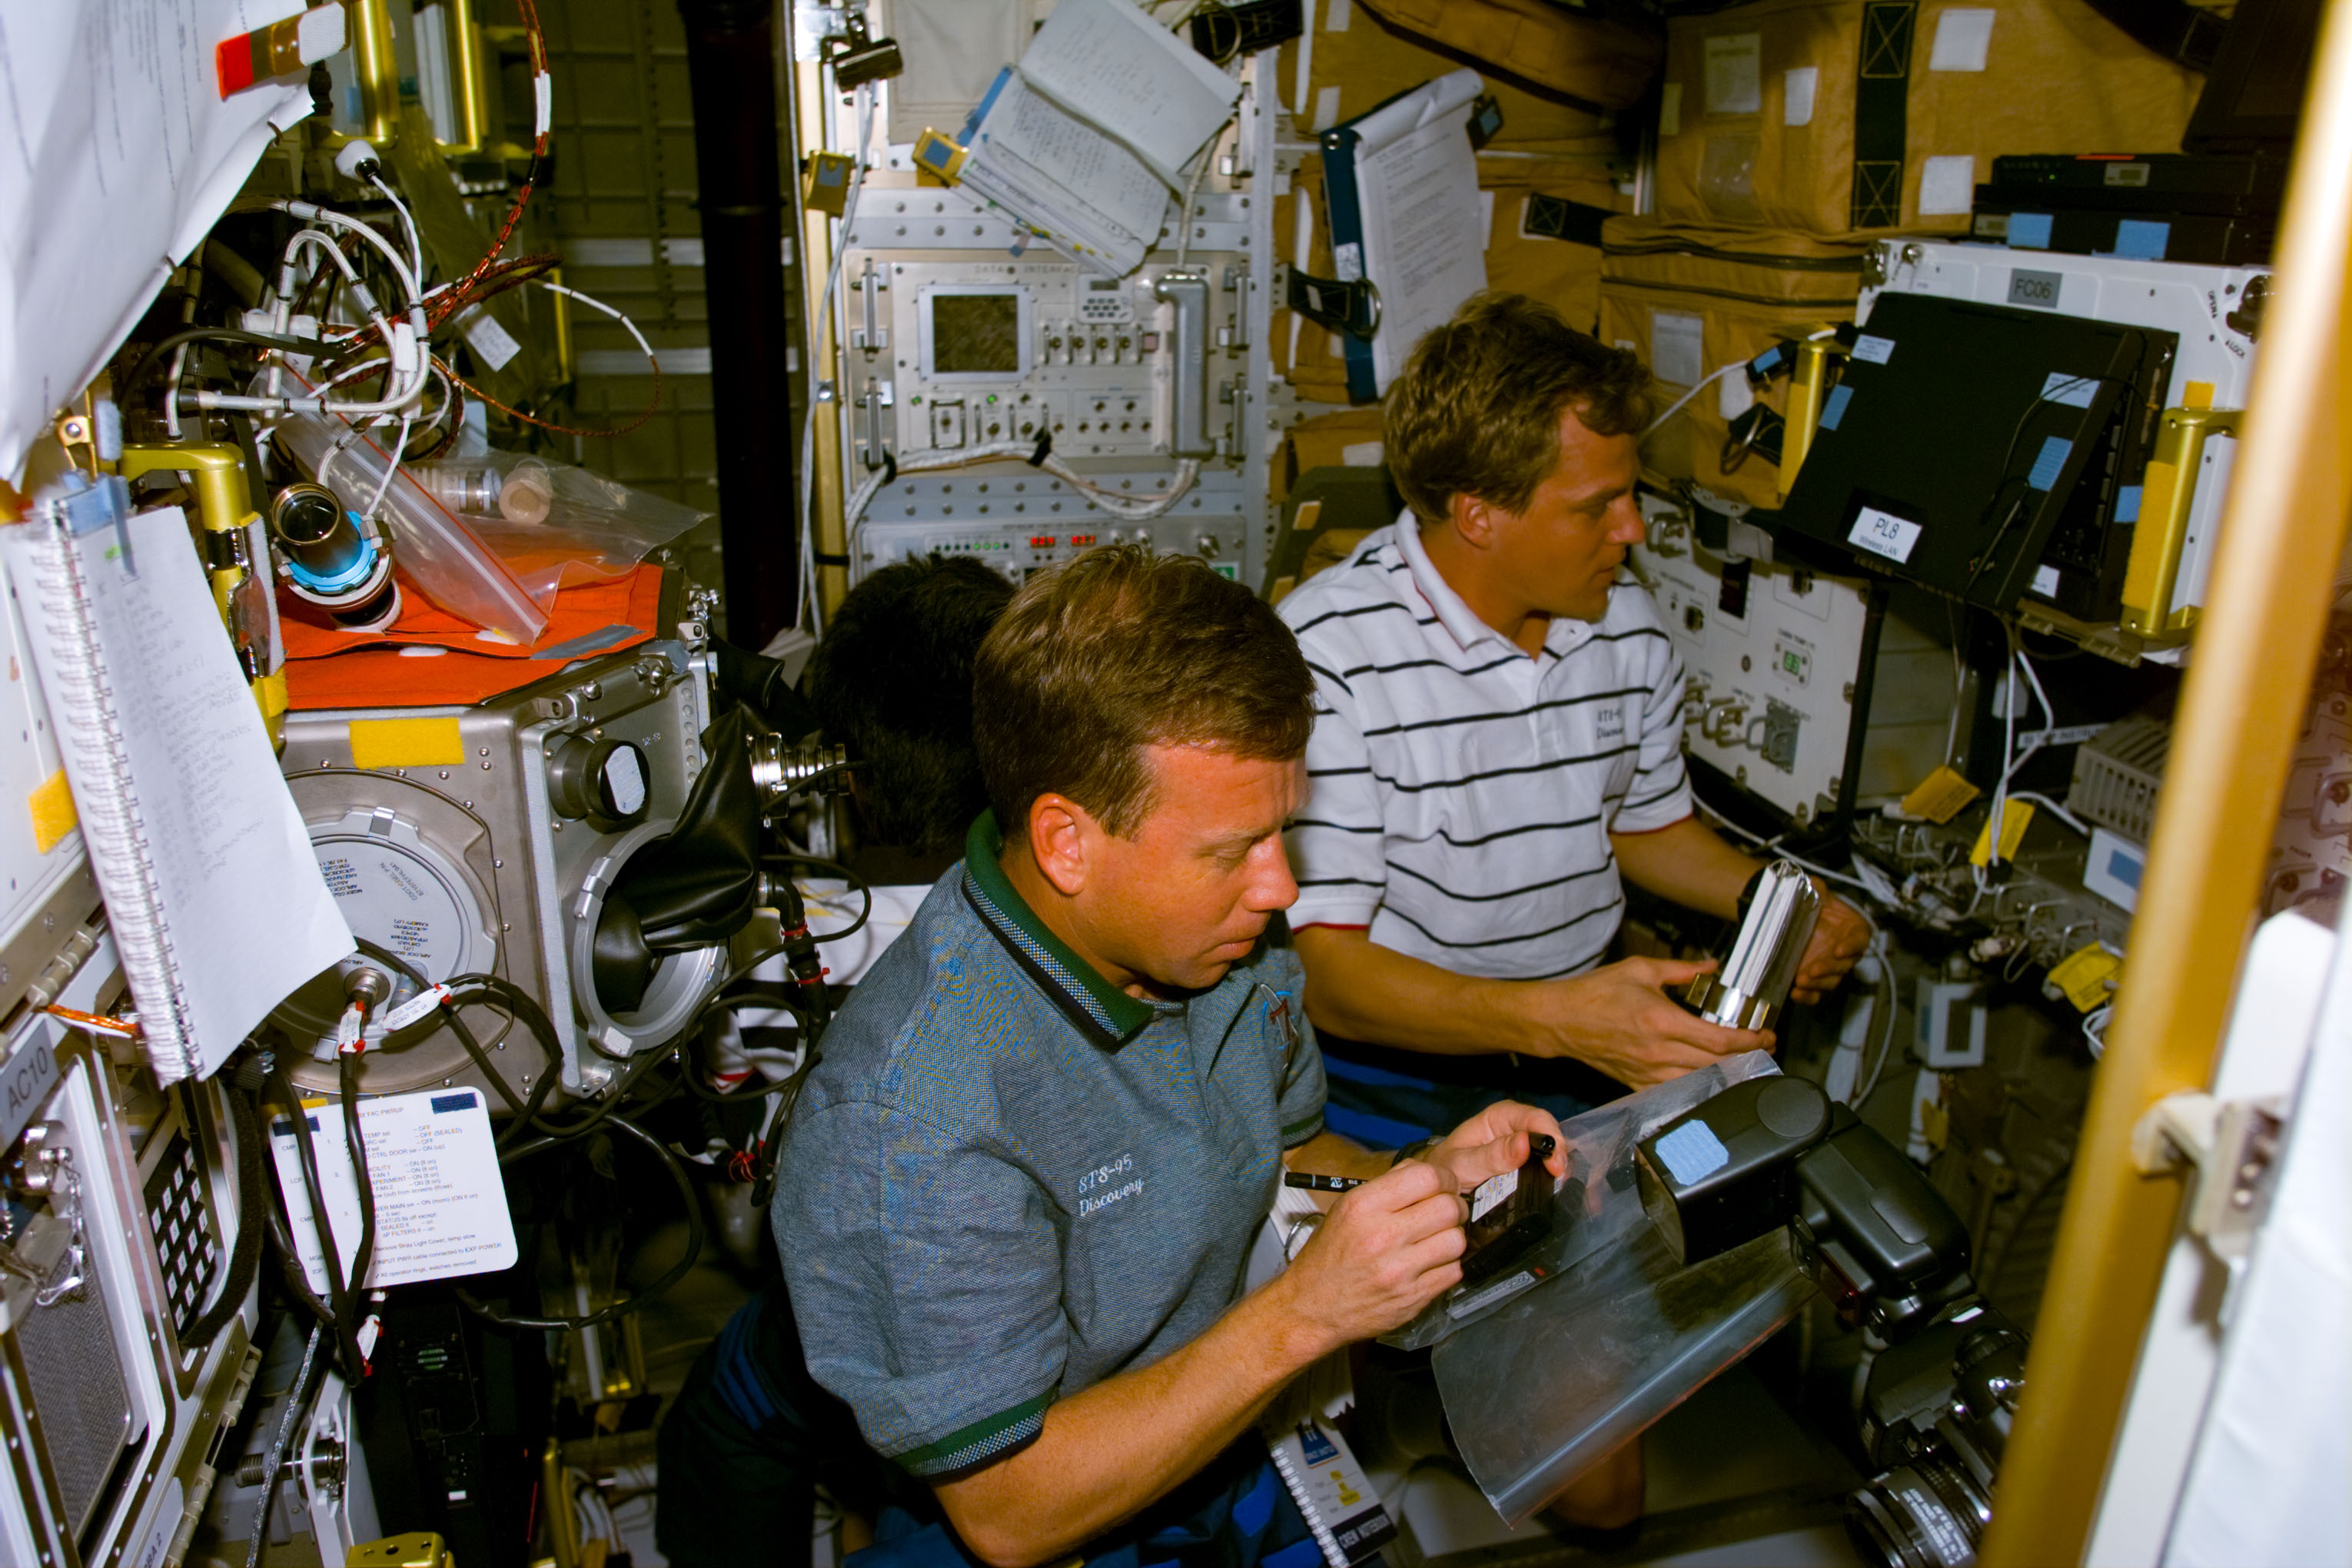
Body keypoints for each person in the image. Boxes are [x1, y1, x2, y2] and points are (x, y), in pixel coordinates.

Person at [772, 546, 1565, 1568]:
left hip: (1228, 1425)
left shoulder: (1225, 944)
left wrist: (1428, 1184)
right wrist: (1306, 1315)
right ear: (1066, 843)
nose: (1280, 889)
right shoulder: (911, 1117)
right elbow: (1008, 1511)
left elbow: (1292, 1153)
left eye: (1281, 832)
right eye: (1232, 851)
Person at [1278, 291, 1872, 1151]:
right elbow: (1327, 973)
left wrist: (1785, 907)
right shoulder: (1327, 654)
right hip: (1393, 1074)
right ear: (1479, 514)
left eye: (1631, 496)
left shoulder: (1623, 620)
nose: (1632, 530)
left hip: (1580, 1050)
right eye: (1597, 506)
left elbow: (1642, 825)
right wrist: (1559, 1020)